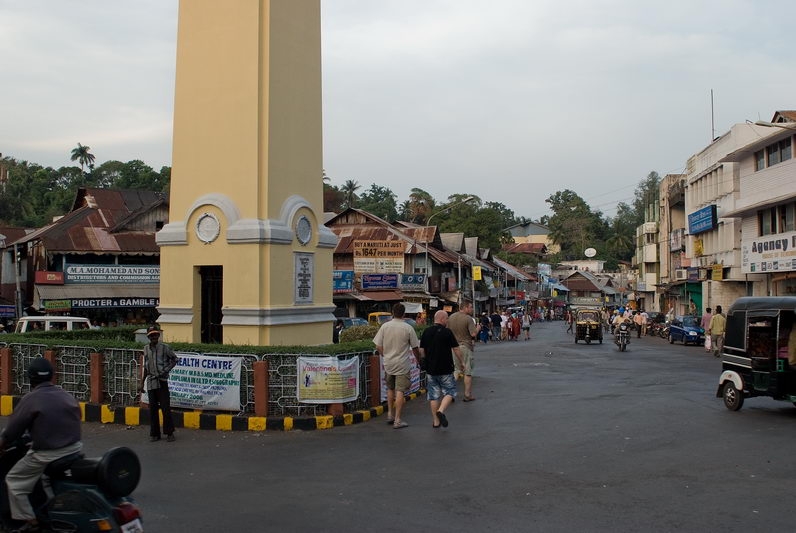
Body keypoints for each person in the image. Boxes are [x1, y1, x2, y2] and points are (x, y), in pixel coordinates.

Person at [0, 358, 82, 533]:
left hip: (48, 454)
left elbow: (12, 430)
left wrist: (3, 444)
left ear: (30, 379)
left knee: (14, 482)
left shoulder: (31, 398)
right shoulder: (65, 394)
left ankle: (30, 523)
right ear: (52, 376)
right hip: (75, 448)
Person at [373, 303, 421, 429]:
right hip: (402, 364)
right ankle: (398, 420)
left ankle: (390, 414)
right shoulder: (408, 328)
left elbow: (377, 345)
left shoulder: (385, 326)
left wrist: (385, 354)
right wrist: (419, 361)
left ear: (392, 312)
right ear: (404, 314)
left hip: (388, 363)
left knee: (390, 388)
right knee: (400, 391)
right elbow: (415, 348)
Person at [419, 310, 464, 428]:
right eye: (447, 319)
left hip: (431, 369)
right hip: (446, 369)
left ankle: (436, 421)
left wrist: (424, 361)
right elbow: (456, 349)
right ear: (442, 319)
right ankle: (441, 411)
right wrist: (462, 362)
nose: (448, 321)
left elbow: (421, 350)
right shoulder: (447, 332)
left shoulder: (426, 332)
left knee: (433, 396)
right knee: (450, 391)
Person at [141, 326, 178, 442]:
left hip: (162, 382)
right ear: (148, 337)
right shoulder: (146, 349)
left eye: (155, 335)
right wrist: (141, 383)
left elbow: (175, 359)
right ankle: (155, 433)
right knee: (152, 410)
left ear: (158, 336)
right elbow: (146, 367)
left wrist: (165, 370)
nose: (154, 337)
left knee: (165, 408)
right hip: (151, 383)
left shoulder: (165, 348)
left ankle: (169, 432)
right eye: (151, 335)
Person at [447, 301, 478, 402]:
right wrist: (478, 328)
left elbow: (447, 331)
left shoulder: (451, 317)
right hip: (465, 346)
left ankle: (450, 393)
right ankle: (467, 395)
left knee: (456, 370)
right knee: (467, 371)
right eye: (470, 307)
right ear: (465, 308)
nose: (472, 309)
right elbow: (473, 334)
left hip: (453, 347)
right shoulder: (468, 319)